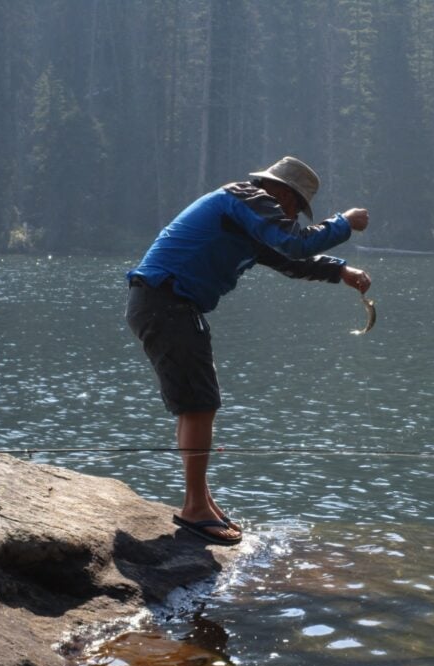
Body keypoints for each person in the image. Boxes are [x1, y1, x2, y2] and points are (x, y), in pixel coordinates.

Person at [125, 156, 370, 545]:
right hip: (166, 301)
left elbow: (290, 258)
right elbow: (293, 240)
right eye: (294, 206)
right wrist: (343, 223)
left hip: (167, 304)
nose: (292, 215)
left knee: (196, 403)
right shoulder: (243, 196)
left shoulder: (250, 218)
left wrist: (340, 271)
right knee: (200, 404)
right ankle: (194, 508)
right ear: (280, 192)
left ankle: (199, 499)